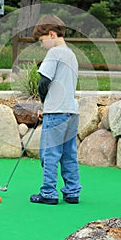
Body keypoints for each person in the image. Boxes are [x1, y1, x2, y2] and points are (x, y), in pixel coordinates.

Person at [30, 14, 82, 205]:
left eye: (42, 40)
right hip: (71, 111)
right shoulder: (71, 54)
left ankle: (49, 193)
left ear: (51, 34)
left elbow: (44, 82)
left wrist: (44, 104)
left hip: (56, 112)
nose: (42, 45)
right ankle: (72, 192)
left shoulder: (54, 53)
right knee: (69, 154)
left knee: (49, 153)